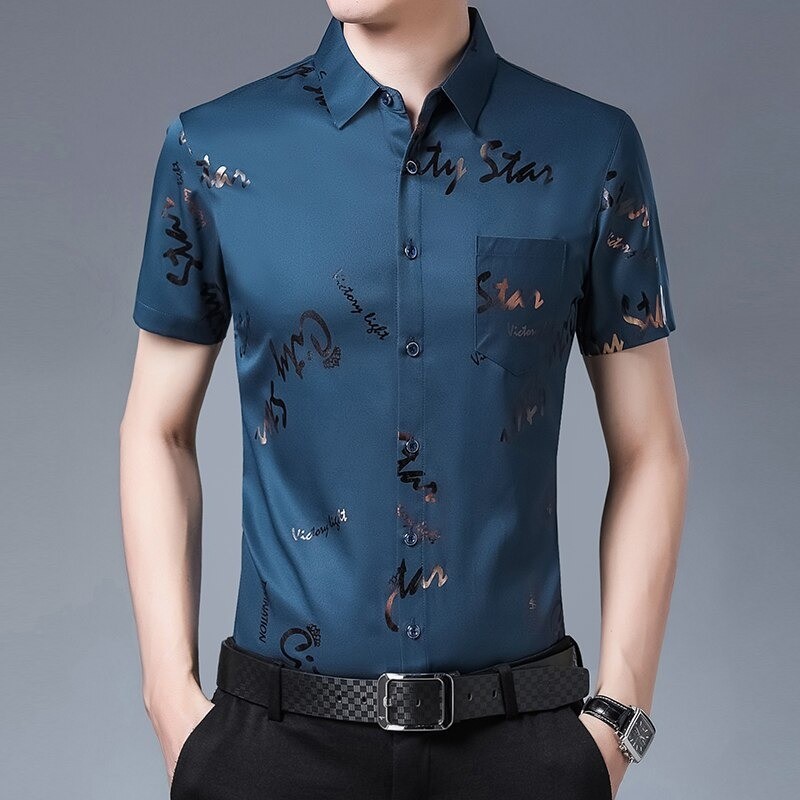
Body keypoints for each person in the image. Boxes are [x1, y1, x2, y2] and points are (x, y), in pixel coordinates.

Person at [119, 2, 688, 798]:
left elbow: (650, 447)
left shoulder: (589, 150)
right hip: (273, 753)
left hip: (519, 753)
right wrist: (168, 701)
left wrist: (619, 718)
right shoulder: (214, 150)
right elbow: (158, 428)